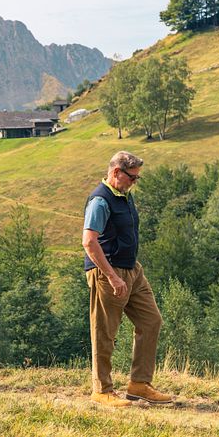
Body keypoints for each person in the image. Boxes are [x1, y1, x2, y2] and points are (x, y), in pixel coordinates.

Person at [82, 151, 173, 407]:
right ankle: (102, 390)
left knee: (151, 320)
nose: (135, 182)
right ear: (115, 173)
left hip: (132, 270)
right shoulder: (100, 201)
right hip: (108, 273)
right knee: (105, 332)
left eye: (137, 178)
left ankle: (139, 385)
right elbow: (89, 242)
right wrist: (112, 276)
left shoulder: (125, 195)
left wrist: (129, 272)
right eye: (132, 177)